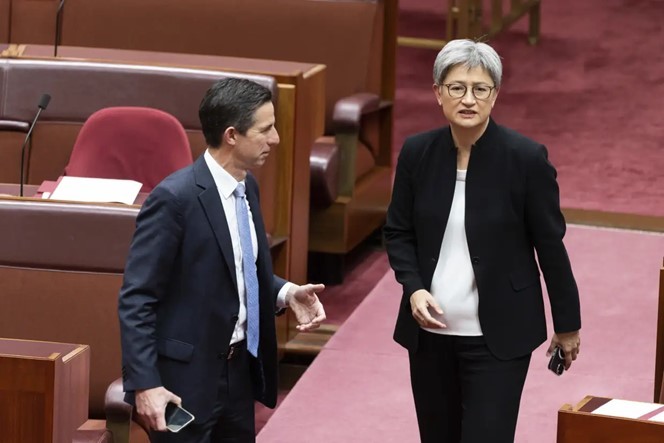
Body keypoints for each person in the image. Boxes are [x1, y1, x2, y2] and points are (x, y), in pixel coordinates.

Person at [383, 39, 581, 443]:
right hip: (430, 337)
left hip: (498, 337)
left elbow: (550, 245)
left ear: (496, 94)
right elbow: (398, 232)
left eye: (480, 88)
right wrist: (414, 288)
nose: (469, 99)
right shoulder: (417, 153)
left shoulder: (525, 158)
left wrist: (567, 324)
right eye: (457, 87)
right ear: (438, 92)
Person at [118, 77, 326, 442]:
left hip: (238, 373)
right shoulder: (175, 199)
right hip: (185, 381)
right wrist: (145, 383)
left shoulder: (248, 187)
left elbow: (235, 270)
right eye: (265, 129)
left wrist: (285, 292)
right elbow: (138, 298)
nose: (276, 139)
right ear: (232, 135)